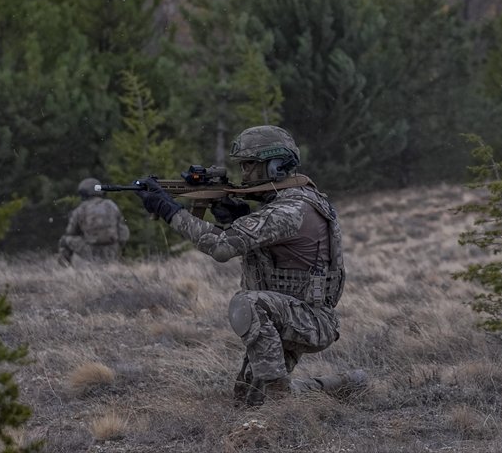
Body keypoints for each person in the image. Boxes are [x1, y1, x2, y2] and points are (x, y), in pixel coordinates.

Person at [136, 125, 365, 406]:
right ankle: (345, 384)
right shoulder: (288, 203)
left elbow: (222, 247)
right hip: (288, 314)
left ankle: (280, 402)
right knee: (248, 399)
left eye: (249, 165)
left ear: (276, 166)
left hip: (307, 319)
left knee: (247, 303)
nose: (243, 174)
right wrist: (235, 217)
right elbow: (258, 238)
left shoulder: (291, 209)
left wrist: (170, 212)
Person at [57, 177, 129, 265]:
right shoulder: (111, 205)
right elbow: (123, 232)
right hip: (112, 250)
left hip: (91, 250)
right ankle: (115, 261)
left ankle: (65, 266)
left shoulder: (80, 209)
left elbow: (70, 231)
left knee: (65, 240)